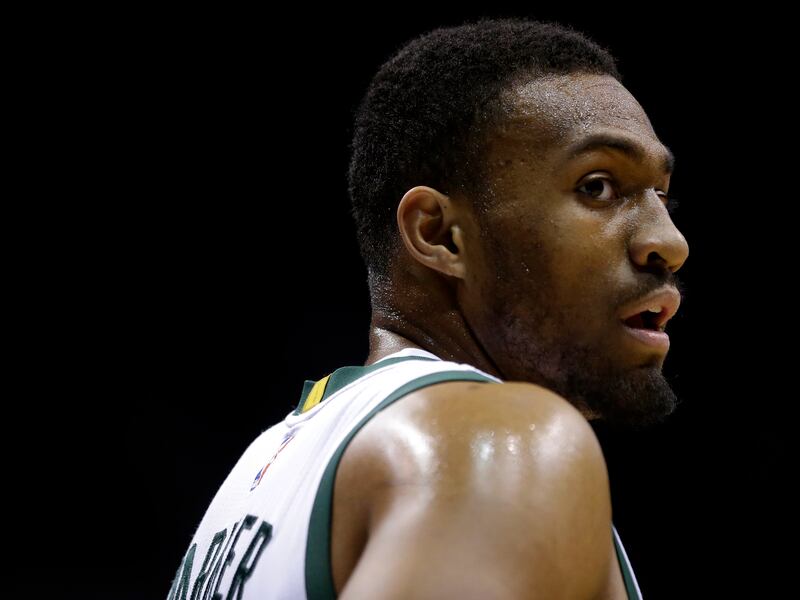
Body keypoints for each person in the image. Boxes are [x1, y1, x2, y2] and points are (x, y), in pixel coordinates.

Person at [167, 16, 688, 600]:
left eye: (661, 194)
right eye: (597, 186)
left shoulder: (258, 476)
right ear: (439, 235)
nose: (669, 242)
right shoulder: (501, 442)